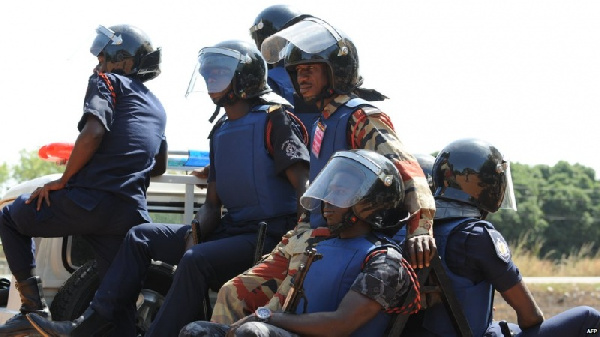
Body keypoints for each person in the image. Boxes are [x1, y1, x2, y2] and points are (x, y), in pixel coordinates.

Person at [27, 39, 309, 337]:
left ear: (245, 78)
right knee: (140, 236)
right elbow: (212, 204)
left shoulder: (275, 118)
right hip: (232, 230)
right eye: (208, 73)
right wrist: (195, 232)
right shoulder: (221, 130)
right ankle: (92, 323)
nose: (210, 78)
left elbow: (304, 187)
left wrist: (298, 247)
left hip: (270, 238)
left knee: (195, 260)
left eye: (219, 72)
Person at [208, 17, 436, 325]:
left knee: (264, 320)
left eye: (310, 70)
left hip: (332, 241)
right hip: (304, 236)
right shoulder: (322, 122)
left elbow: (406, 169)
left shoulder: (360, 117)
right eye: (298, 71)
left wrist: (421, 227)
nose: (301, 79)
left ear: (335, 71)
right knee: (231, 294)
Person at [0, 24, 166, 335]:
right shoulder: (156, 107)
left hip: (90, 200)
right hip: (128, 214)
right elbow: (158, 164)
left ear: (123, 60)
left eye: (103, 58)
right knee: (121, 312)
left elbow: (93, 133)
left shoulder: (106, 81)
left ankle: (32, 308)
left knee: (10, 217)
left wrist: (64, 180)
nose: (97, 65)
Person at [180, 149, 421, 337]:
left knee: (251, 333)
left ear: (371, 203)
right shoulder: (319, 248)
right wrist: (263, 317)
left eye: (340, 193)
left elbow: (339, 325)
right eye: (329, 191)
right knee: (196, 331)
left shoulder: (384, 261)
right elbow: (287, 308)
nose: (327, 201)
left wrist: (267, 318)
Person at [398, 138, 600, 336]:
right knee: (589, 320)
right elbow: (530, 317)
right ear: (488, 184)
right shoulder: (477, 235)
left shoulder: (412, 232)